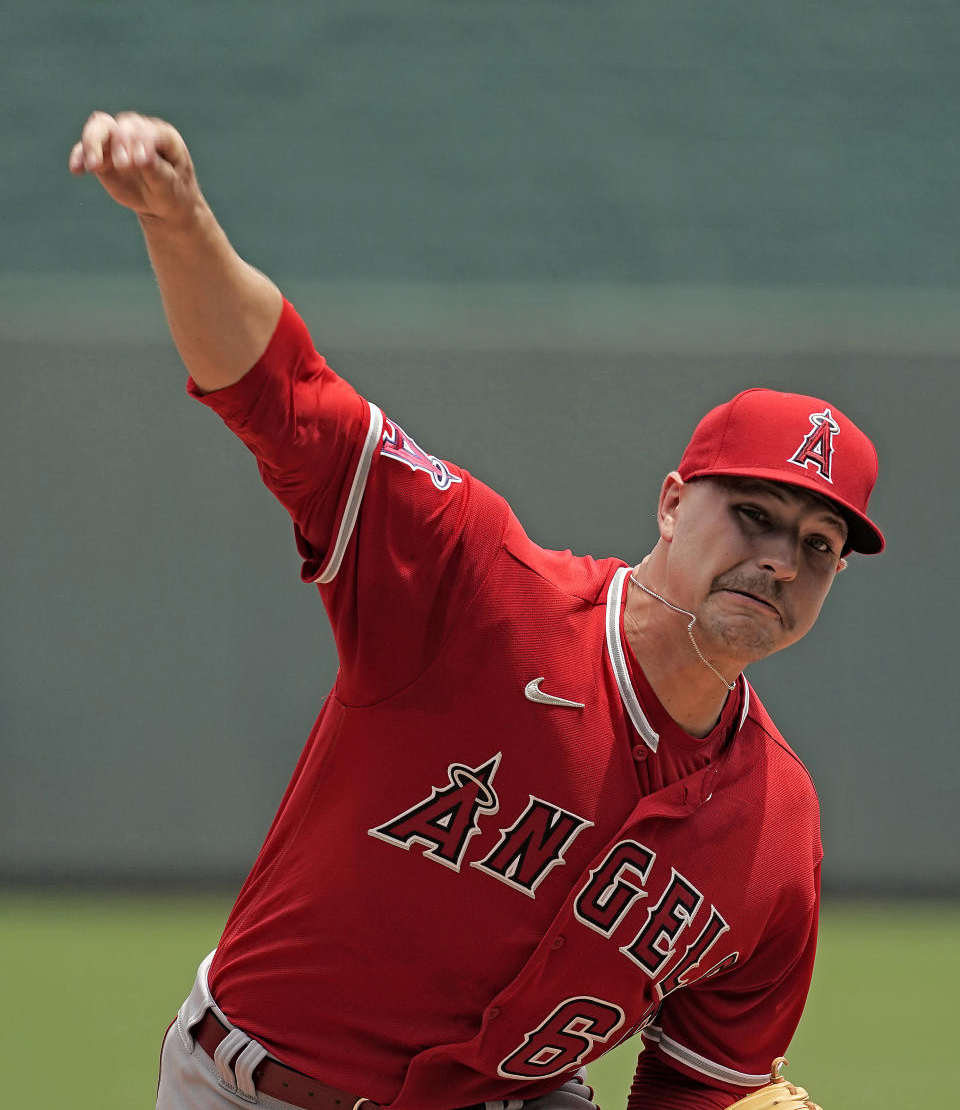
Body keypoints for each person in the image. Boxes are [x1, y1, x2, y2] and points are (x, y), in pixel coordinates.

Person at [69, 111, 884, 1110]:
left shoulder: (776, 830)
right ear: (672, 503)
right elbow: (291, 400)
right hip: (260, 1089)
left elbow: (701, 1083)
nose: (777, 560)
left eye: (817, 547)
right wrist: (181, 220)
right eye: (753, 513)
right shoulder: (480, 587)